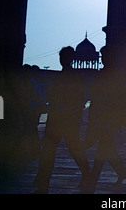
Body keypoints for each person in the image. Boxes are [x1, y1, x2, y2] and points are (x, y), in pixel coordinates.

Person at [33, 46, 90, 194]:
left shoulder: (64, 77)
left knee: (52, 150)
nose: (62, 60)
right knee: (66, 149)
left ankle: (43, 182)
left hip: (61, 118)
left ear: (69, 59)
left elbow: (73, 98)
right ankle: (43, 181)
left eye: (63, 57)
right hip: (65, 119)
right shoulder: (75, 77)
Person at [83, 46, 126, 193]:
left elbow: (125, 97)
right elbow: (96, 100)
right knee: (106, 147)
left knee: (103, 147)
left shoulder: (111, 76)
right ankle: (121, 171)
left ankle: (92, 181)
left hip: (109, 118)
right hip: (106, 118)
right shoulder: (113, 75)